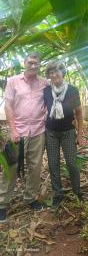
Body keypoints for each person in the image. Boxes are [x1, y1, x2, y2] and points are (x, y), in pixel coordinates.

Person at [0, 52, 48, 222]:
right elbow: (8, 106)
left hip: (37, 130)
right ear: (25, 62)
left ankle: (31, 198)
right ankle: (2, 203)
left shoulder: (45, 83)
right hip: (17, 131)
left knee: (34, 167)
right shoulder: (13, 81)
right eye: (30, 62)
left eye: (36, 63)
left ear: (40, 65)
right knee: (11, 167)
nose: (33, 65)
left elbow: (51, 102)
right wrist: (13, 130)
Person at [44, 60, 83, 208]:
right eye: (51, 72)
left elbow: (79, 113)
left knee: (72, 163)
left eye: (57, 71)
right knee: (53, 164)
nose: (54, 74)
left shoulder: (72, 90)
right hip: (51, 132)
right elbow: (42, 110)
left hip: (68, 132)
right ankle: (58, 194)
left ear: (62, 72)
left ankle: (77, 191)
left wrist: (79, 135)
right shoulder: (46, 91)